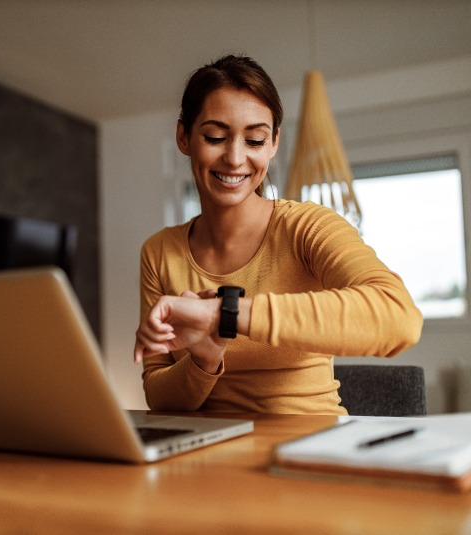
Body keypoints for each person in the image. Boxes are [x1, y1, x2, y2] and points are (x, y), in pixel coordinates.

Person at [133, 54, 423, 414]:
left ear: (273, 143)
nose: (235, 158)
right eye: (215, 136)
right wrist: (203, 360)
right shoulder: (159, 251)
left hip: (308, 448)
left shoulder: (307, 227)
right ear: (184, 136)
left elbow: (398, 317)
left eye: (254, 140)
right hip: (210, 456)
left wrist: (225, 314)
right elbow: (159, 398)